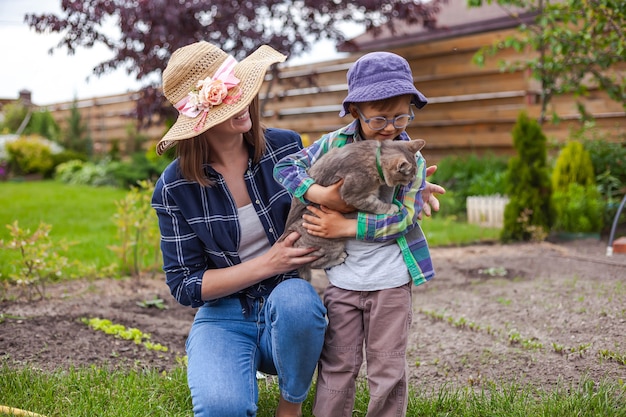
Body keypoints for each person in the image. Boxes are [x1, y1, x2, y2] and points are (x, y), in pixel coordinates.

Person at [150, 41, 328, 417]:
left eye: (242, 93)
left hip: (286, 303)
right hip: (223, 313)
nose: (243, 105)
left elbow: (341, 169)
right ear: (203, 119)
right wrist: (269, 262)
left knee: (298, 301)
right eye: (230, 100)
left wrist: (403, 192)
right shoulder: (174, 187)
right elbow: (185, 285)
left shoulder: (285, 147)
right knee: (221, 409)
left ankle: (290, 405)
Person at [273, 51, 443, 417]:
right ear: (355, 113)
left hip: (391, 283)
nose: (390, 126)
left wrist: (347, 226)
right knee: (337, 365)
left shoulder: (408, 158)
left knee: (387, 368)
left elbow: (406, 217)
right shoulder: (334, 144)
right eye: (379, 117)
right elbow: (285, 167)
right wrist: (318, 194)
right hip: (344, 283)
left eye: (401, 116)